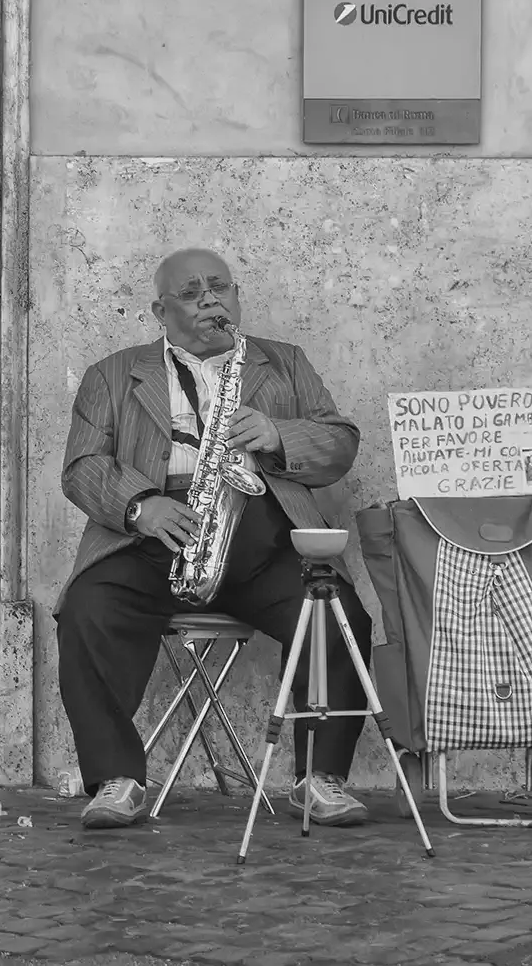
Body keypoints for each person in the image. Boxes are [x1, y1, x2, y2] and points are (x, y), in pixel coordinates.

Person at [55, 248, 373, 830]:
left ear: (235, 295)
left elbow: (340, 444)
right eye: (190, 292)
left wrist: (279, 435)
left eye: (219, 287)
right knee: (86, 609)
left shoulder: (284, 361)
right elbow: (81, 467)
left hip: (262, 537)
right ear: (160, 311)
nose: (209, 300)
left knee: (335, 613)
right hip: (153, 537)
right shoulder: (111, 374)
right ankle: (116, 777)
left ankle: (319, 777)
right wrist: (140, 506)